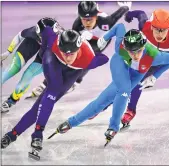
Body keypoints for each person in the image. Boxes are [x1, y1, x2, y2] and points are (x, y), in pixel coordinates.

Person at [50, 23, 169, 146]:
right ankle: (114, 127)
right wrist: (105, 37)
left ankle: (71, 122)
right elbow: (120, 26)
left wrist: (155, 76)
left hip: (137, 74)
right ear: (125, 48)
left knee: (102, 101)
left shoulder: (155, 56)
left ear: (144, 46)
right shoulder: (120, 47)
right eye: (131, 51)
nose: (135, 55)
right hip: (120, 63)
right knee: (124, 91)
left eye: (138, 51)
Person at [1, 26, 109, 160]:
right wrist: (43, 49)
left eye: (71, 54)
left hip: (73, 71)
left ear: (78, 49)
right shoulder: (54, 42)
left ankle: (12, 135)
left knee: (38, 108)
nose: (68, 57)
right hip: (53, 59)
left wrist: (95, 40)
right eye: (65, 52)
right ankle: (37, 135)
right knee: (52, 92)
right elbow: (46, 29)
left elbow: (104, 58)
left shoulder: (89, 58)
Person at [26, 1, 132, 98]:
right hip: (84, 39)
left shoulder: (106, 22)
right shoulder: (77, 24)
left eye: (90, 19)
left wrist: (126, 7)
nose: (87, 23)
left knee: (88, 58)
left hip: (101, 40)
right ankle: (46, 83)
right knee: (69, 55)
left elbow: (118, 14)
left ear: (96, 16)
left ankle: (76, 80)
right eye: (84, 19)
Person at [89, 9, 169, 126]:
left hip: (157, 62)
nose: (159, 33)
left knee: (137, 84)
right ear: (151, 26)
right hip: (140, 56)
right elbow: (141, 14)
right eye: (156, 29)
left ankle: (130, 109)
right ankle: (101, 106)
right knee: (122, 84)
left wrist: (155, 76)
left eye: (163, 30)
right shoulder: (145, 26)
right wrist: (128, 15)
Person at [1, 17, 63, 113]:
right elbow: (19, 36)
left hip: (46, 54)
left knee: (28, 75)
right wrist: (8, 52)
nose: (43, 40)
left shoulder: (61, 38)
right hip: (32, 44)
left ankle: (11, 101)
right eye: (41, 37)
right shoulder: (33, 32)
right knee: (12, 69)